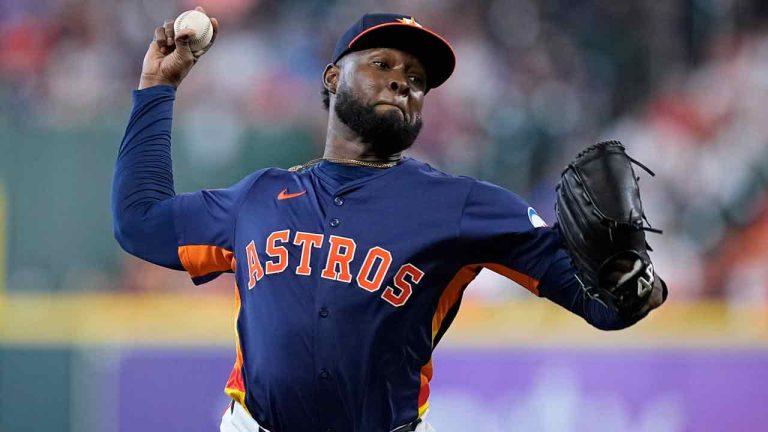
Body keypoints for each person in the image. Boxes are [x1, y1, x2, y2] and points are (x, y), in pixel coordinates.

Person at [112, 8, 665, 432]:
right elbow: (139, 222)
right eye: (383, 64)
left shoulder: (460, 205)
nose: (404, 81)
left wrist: (637, 284)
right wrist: (158, 90)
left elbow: (605, 305)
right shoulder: (259, 197)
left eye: (418, 78)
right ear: (332, 78)